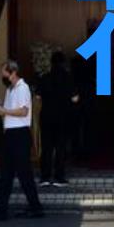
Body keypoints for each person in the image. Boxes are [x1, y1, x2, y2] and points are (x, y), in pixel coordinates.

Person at [0, 60, 44, 222]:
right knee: (6, 174)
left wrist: (2, 110)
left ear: (13, 72)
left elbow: (23, 112)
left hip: (20, 134)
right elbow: (8, 111)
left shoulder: (22, 88)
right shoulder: (10, 89)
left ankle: (35, 207)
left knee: (23, 173)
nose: (2, 76)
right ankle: (2, 210)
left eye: (4, 73)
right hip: (10, 133)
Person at [36, 51, 78, 186]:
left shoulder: (45, 77)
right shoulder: (69, 78)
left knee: (46, 148)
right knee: (61, 147)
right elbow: (75, 98)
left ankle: (45, 177)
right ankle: (59, 177)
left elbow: (37, 97)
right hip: (63, 117)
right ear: (64, 63)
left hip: (46, 117)